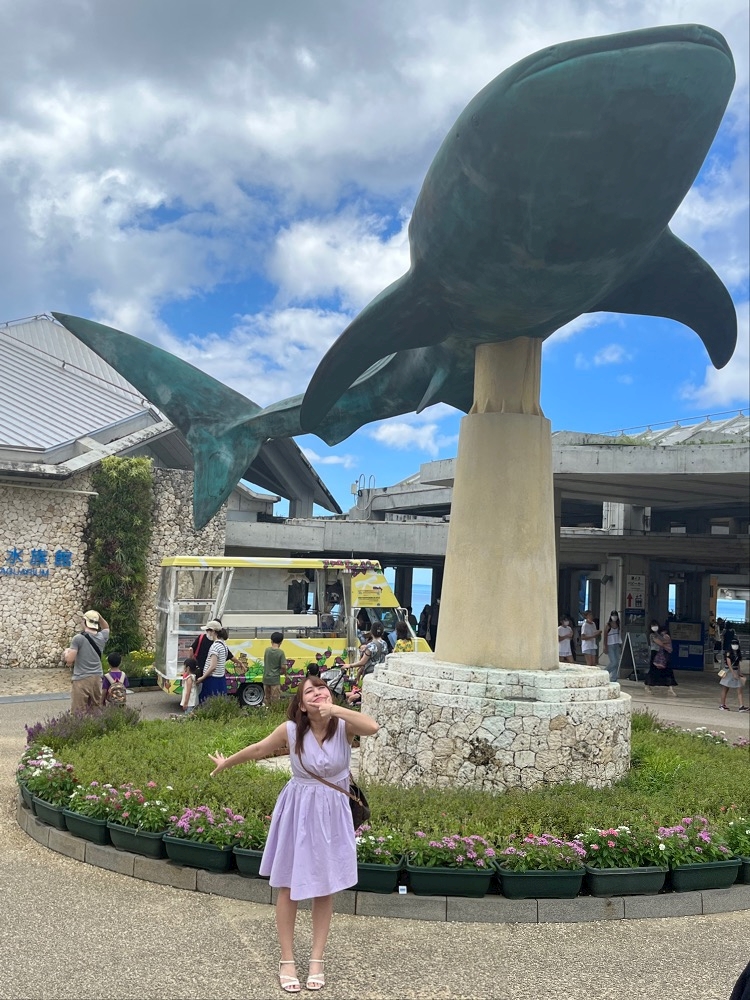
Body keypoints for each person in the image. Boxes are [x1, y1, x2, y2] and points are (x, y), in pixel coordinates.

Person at [209, 675, 379, 993]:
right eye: (309, 692)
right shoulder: (290, 730)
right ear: (301, 705)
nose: (317, 693)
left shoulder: (344, 726)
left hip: (332, 814)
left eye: (322, 688)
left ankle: (317, 960)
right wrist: (226, 763)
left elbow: (372, 727)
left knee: (324, 888)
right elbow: (259, 748)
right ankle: (286, 959)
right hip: (298, 812)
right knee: (288, 886)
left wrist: (335, 710)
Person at [64, 610, 110, 714]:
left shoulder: (78, 639)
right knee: (96, 710)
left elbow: (70, 659)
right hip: (97, 678)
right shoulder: (102, 637)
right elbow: (106, 627)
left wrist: (66, 652)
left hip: (81, 679)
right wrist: (99, 616)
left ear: (85, 622)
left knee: (78, 712)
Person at [196, 620, 229, 703]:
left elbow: (213, 666)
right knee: (219, 702)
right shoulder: (223, 645)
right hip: (220, 678)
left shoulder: (215, 646)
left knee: (207, 703)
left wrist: (202, 678)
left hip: (212, 679)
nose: (207, 633)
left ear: (213, 631)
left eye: (208, 630)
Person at [349, 620, 389, 687]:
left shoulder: (370, 646)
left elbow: (362, 662)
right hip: (380, 674)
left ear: (371, 632)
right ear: (382, 632)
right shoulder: (385, 644)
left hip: (370, 674)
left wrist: (349, 665)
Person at [645, 619, 677, 696]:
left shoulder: (659, 634)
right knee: (653, 670)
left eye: (655, 625)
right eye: (653, 626)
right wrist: (666, 643)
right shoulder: (652, 635)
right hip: (654, 653)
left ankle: (670, 688)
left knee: (667, 670)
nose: (654, 627)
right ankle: (647, 686)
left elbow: (665, 640)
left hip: (662, 654)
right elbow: (660, 643)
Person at [720, 639, 748, 712]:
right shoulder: (728, 653)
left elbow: (738, 664)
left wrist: (739, 672)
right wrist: (733, 673)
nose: (735, 645)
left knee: (739, 688)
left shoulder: (737, 653)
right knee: (725, 688)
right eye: (733, 644)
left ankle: (741, 706)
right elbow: (729, 664)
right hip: (729, 672)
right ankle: (722, 705)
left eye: (736, 644)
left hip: (735, 670)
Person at [264, 631, 286, 705]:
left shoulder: (267, 650)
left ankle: (267, 710)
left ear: (271, 640)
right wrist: (284, 673)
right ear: (281, 642)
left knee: (267, 698)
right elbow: (283, 666)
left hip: (266, 678)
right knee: (275, 700)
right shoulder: (280, 652)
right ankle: (274, 711)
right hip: (275, 679)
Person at [601, 611, 622, 682]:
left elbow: (619, 635)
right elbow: (605, 636)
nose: (614, 617)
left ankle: (614, 678)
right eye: (613, 615)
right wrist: (605, 646)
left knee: (617, 662)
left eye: (615, 615)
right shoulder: (608, 625)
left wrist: (620, 643)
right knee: (614, 662)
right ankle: (604, 673)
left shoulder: (618, 624)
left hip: (616, 644)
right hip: (610, 645)